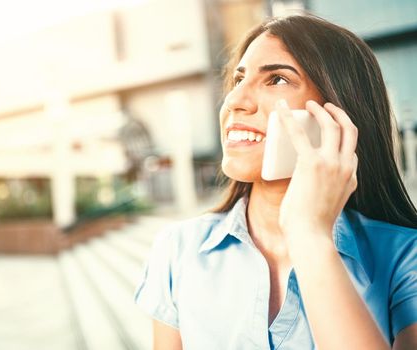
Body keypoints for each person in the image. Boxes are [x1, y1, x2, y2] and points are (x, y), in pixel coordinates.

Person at [134, 14, 417, 349]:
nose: (235, 101)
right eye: (238, 80)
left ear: (338, 113)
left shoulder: (405, 257)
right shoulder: (177, 249)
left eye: (277, 80)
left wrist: (310, 236)